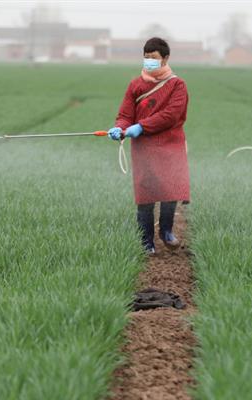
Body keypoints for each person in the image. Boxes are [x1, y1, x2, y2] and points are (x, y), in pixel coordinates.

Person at [108, 37, 190, 255]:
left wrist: (141, 126)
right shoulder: (136, 85)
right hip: (143, 148)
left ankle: (166, 231)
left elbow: (171, 115)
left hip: (170, 145)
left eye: (153, 58)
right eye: (146, 58)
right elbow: (126, 114)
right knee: (145, 194)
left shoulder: (177, 85)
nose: (149, 62)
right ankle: (146, 242)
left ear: (165, 59)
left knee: (169, 190)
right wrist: (120, 128)